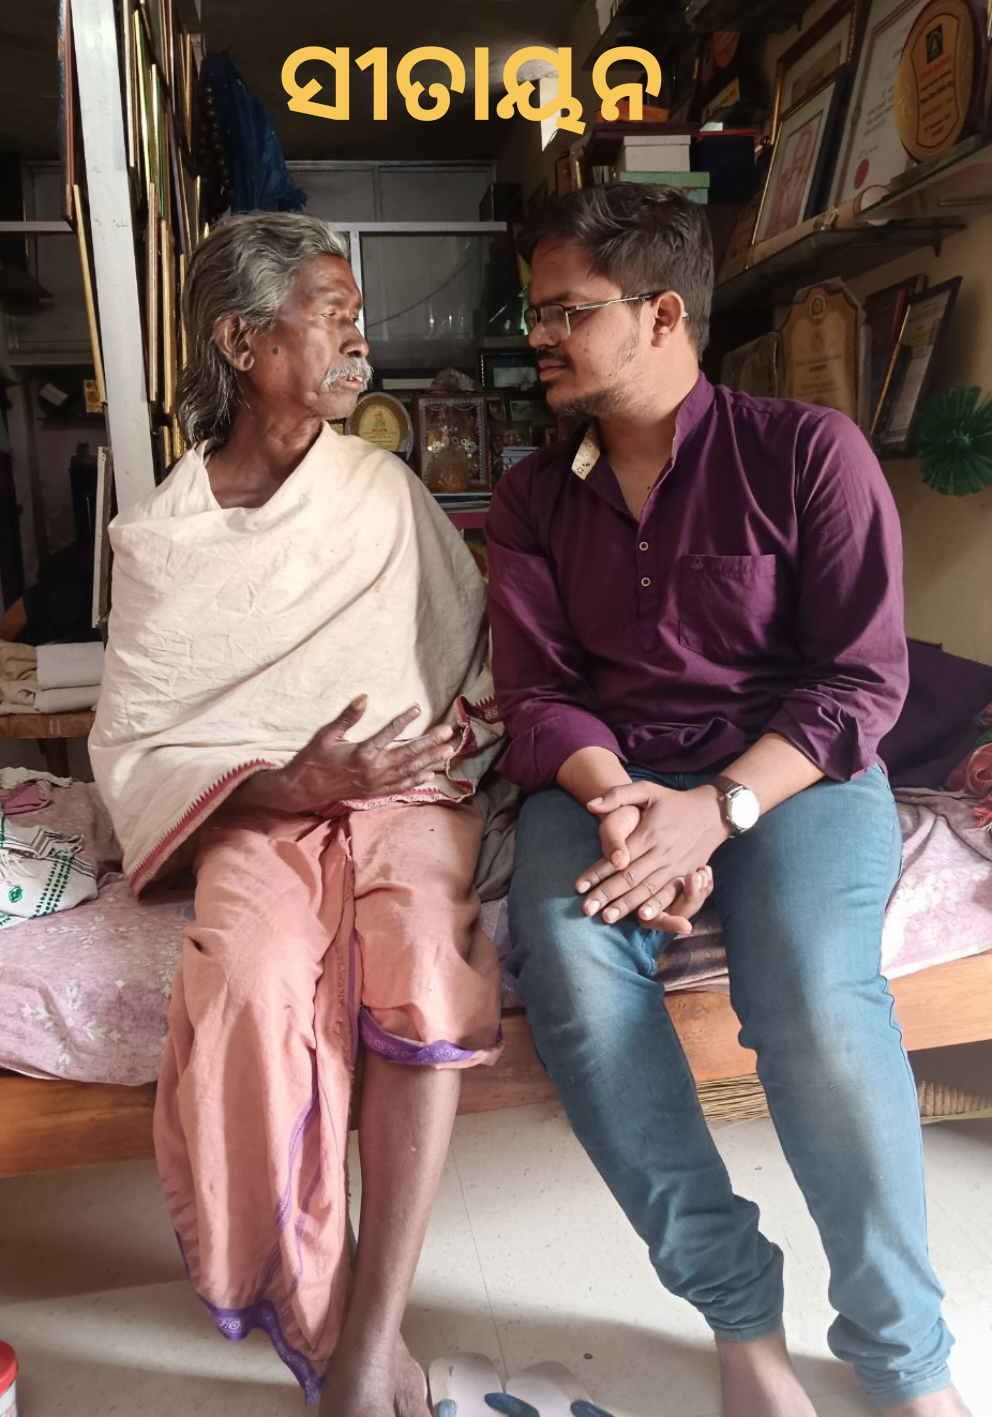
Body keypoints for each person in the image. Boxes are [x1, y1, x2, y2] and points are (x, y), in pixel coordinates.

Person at [486, 184, 972, 1417]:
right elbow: (537, 694)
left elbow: (859, 680)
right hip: (603, 776)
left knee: (812, 990)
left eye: (566, 311)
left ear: (662, 315)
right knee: (571, 967)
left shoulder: (806, 452)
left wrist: (712, 810)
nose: (537, 334)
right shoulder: (534, 495)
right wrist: (620, 804)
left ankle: (902, 1354)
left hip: (791, 771)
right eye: (534, 311)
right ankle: (737, 1315)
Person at [89, 212, 504, 1417]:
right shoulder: (163, 540)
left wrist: (408, 756)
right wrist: (292, 782)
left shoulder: (380, 489)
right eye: (332, 315)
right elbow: (144, 744)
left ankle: (372, 1335)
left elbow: (462, 652)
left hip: (404, 791)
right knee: (250, 979)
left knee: (419, 956)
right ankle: (323, 1318)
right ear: (242, 341)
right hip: (259, 812)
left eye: (357, 317)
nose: (360, 341)